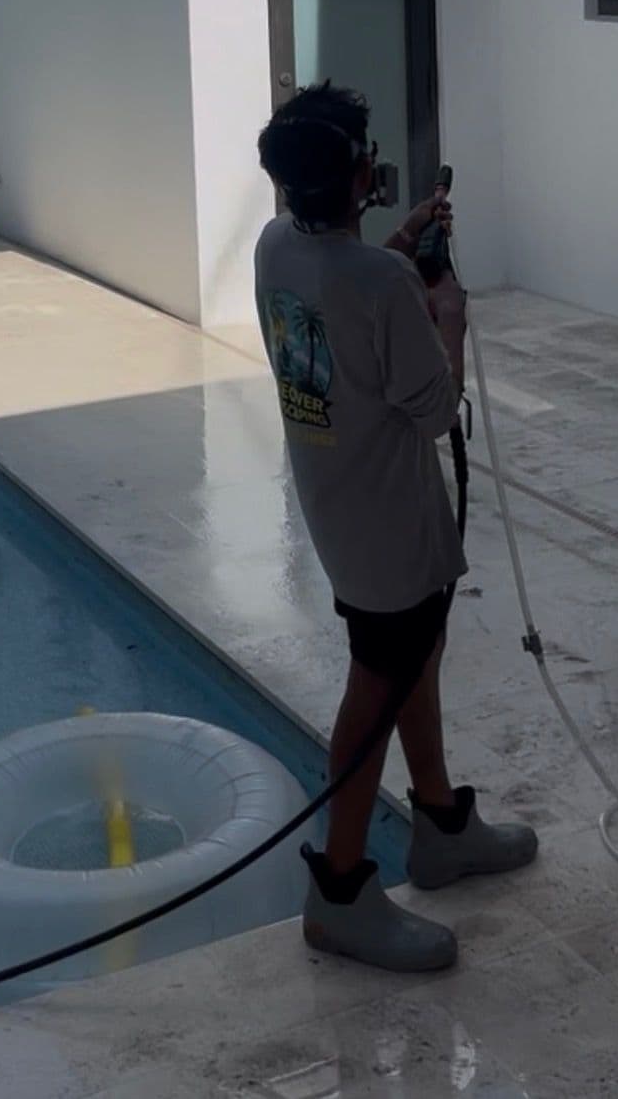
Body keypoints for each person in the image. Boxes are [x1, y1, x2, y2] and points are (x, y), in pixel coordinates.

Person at [255, 80, 537, 973]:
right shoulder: (380, 284)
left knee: (413, 654)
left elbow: (342, 298)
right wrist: (447, 316)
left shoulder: (275, 247)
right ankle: (338, 895)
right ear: (359, 175)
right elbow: (434, 410)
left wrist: (403, 242)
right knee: (376, 687)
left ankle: (440, 823)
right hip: (389, 522)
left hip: (339, 509)